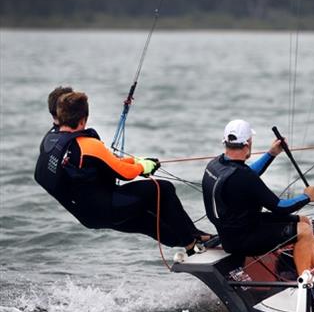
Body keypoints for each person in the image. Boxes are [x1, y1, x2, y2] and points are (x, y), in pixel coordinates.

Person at [34, 90, 211, 251]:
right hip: (108, 207)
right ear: (83, 119)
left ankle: (195, 241)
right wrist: (143, 166)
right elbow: (125, 174)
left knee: (148, 222)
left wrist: (134, 161)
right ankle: (191, 244)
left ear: (60, 116)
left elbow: (102, 165)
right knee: (163, 189)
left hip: (87, 215)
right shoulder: (88, 145)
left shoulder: (51, 141)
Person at [202, 119, 314, 276]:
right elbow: (280, 207)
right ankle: (305, 283)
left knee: (304, 221)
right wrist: (307, 197)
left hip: (234, 230)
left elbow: (246, 174)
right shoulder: (243, 176)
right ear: (248, 142)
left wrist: (271, 154)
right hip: (242, 240)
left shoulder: (217, 164)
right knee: (303, 231)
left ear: (226, 142)